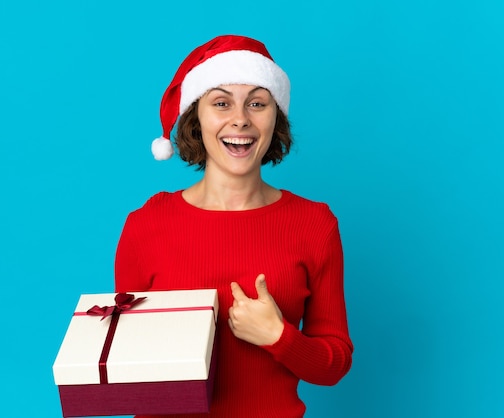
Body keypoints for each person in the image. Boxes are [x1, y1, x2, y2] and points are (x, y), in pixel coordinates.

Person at [114, 34, 353, 418]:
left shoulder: (314, 224)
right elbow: (129, 364)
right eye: (221, 103)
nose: (240, 118)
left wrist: (279, 337)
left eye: (257, 103)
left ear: (276, 119)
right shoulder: (146, 224)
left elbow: (335, 363)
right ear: (197, 117)